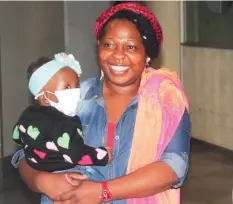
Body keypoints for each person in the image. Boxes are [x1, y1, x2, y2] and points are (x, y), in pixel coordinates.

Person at [11, 2, 191, 204]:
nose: (118, 55)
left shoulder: (165, 100)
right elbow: (27, 153)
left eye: (130, 47)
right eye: (109, 44)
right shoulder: (75, 96)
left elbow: (175, 166)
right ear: (99, 48)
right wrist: (42, 180)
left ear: (147, 54)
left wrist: (103, 191)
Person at [12, 53, 111, 203]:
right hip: (66, 184)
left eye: (77, 86)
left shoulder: (27, 114)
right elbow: (75, 153)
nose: (75, 92)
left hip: (44, 176)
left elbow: (16, 136)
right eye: (67, 87)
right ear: (45, 96)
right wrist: (102, 155)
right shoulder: (64, 124)